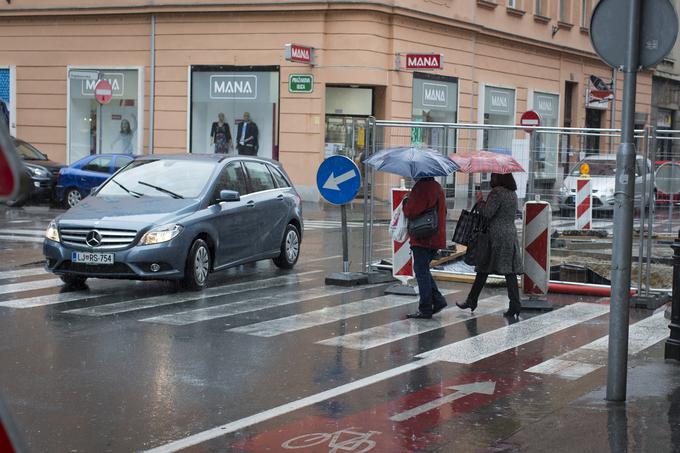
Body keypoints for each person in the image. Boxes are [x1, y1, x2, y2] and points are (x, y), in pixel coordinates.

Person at [456, 173, 523, 318]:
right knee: (507, 270)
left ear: (499, 178)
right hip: (509, 234)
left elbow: (487, 213)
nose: (491, 179)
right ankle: (514, 305)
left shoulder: (497, 192)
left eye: (493, 176)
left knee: (484, 267)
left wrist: (480, 201)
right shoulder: (512, 193)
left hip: (495, 237)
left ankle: (472, 300)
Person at [402, 176, 448, 319]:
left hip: (423, 237)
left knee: (421, 272)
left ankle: (425, 308)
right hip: (436, 236)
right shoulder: (437, 187)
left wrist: (406, 202)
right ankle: (438, 300)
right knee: (424, 271)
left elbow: (410, 211)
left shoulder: (421, 187)